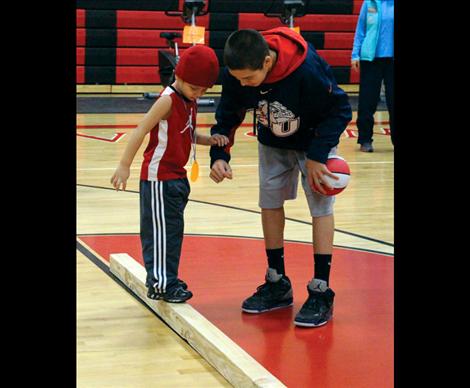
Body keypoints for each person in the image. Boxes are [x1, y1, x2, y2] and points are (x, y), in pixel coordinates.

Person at [209, 28, 352, 327]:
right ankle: (277, 282)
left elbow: (340, 110)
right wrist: (219, 155)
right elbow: (228, 113)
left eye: (248, 79)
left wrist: (317, 155)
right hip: (272, 141)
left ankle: (321, 289)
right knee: (269, 203)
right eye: (237, 78)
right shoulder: (239, 71)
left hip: (315, 142)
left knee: (321, 208)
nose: (242, 84)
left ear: (267, 61)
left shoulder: (307, 69)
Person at [110, 45, 228, 303]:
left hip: (176, 177)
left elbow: (186, 134)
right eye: (195, 89)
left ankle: (166, 278)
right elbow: (140, 129)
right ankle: (162, 284)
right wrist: (124, 165)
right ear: (180, 76)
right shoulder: (168, 99)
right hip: (159, 178)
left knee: (172, 232)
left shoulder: (188, 100)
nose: (199, 94)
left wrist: (210, 140)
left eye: (204, 91)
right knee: (161, 232)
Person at [351, 0, 394, 152]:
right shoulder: (369, 3)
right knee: (367, 101)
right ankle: (365, 140)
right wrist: (355, 54)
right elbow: (360, 30)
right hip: (371, 59)